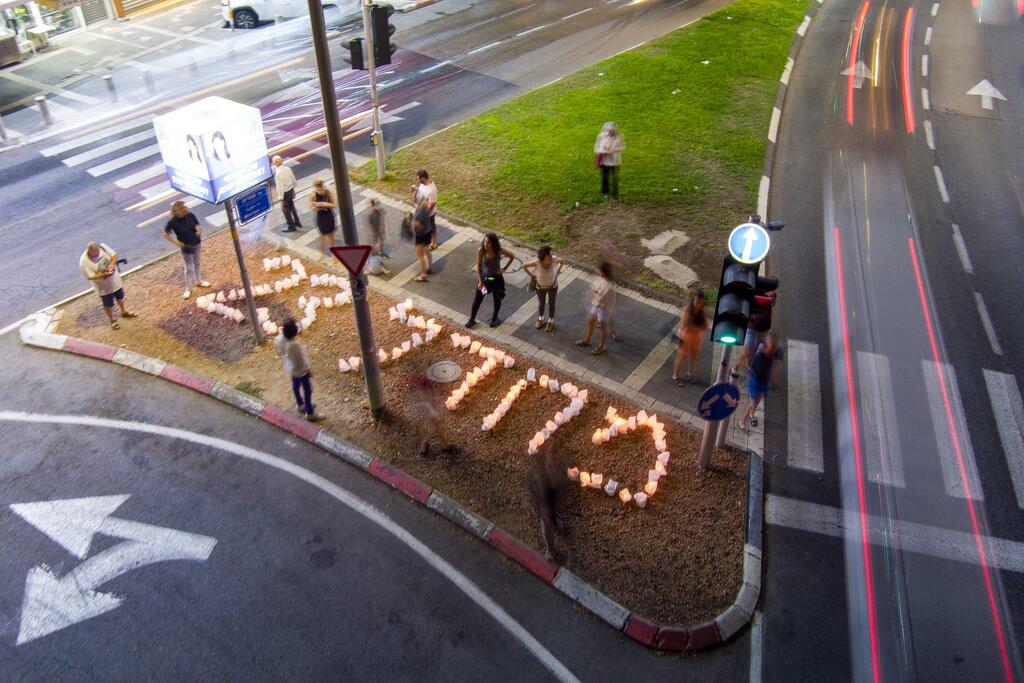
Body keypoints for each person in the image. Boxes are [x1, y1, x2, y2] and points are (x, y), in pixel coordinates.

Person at [527, 441, 569, 561]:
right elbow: (536, 491)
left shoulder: (550, 467)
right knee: (547, 524)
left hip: (550, 497)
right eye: (552, 453)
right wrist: (543, 509)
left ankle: (557, 523)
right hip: (543, 502)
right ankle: (550, 550)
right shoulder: (537, 474)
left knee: (553, 515)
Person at [275, 318, 322, 422]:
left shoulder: (279, 339)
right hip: (301, 371)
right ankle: (310, 412)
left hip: (290, 367)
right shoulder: (295, 345)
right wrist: (308, 370)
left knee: (295, 385)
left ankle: (300, 403)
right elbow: (302, 360)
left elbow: (280, 351)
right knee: (308, 390)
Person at [80, 241, 136, 329]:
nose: (97, 255)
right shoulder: (84, 262)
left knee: (120, 296)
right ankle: (112, 319)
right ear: (89, 252)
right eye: (94, 254)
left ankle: (123, 311)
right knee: (108, 303)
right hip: (103, 286)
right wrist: (104, 275)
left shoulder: (103, 247)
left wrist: (112, 265)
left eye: (98, 253)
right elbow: (90, 276)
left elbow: (114, 255)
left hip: (115, 280)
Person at [162, 201, 211, 299]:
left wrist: (198, 231)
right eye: (182, 207)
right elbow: (165, 233)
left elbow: (197, 225)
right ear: (177, 210)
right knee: (188, 267)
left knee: (197, 263)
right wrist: (176, 243)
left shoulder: (190, 215)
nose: (185, 208)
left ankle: (199, 281)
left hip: (197, 242)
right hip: (186, 246)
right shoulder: (173, 222)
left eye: (184, 207)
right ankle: (188, 288)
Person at [466, 233, 514, 328]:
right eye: (484, 242)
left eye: (488, 243)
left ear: (493, 243)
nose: (485, 244)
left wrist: (504, 268)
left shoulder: (499, 251)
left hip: (496, 279)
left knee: (497, 299)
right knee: (477, 299)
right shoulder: (481, 251)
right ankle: (472, 319)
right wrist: (480, 281)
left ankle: (494, 318)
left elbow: (512, 256)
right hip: (486, 278)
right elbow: (479, 267)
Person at [742, 332, 783, 429]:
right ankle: (742, 420)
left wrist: (773, 379)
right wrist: (748, 368)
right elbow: (750, 368)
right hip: (755, 382)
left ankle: (752, 414)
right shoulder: (759, 357)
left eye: (774, 347)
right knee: (753, 402)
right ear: (765, 346)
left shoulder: (776, 353)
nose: (772, 351)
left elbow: (775, 366)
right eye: (770, 348)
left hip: (764, 381)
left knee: (758, 400)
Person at [575, 261, 615, 355]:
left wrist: (595, 293)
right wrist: (596, 294)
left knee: (602, 327)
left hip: (603, 309)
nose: (597, 270)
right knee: (590, 322)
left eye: (599, 269)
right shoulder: (599, 279)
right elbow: (595, 292)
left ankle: (602, 346)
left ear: (603, 272)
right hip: (596, 305)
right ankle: (587, 340)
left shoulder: (608, 286)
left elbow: (599, 297)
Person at [523, 246, 564, 333]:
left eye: (549, 258)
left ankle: (550, 321)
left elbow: (562, 261)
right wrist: (532, 275)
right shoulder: (537, 262)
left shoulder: (554, 260)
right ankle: (540, 319)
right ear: (541, 259)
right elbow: (524, 266)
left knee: (552, 303)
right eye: (546, 259)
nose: (548, 261)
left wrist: (557, 272)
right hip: (540, 287)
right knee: (541, 303)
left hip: (553, 286)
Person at [672, 289, 709, 385]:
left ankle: (691, 372)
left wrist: (695, 328)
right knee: (682, 356)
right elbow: (685, 327)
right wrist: (698, 328)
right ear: (693, 300)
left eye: (700, 302)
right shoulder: (687, 310)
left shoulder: (702, 311)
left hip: (695, 338)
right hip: (685, 338)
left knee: (694, 356)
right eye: (696, 301)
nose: (698, 304)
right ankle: (675, 374)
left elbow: (705, 326)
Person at [593, 122, 625, 199]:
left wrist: (614, 150)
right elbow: (596, 148)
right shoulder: (601, 136)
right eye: (608, 130)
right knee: (605, 177)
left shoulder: (619, 136)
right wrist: (603, 151)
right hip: (605, 161)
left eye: (612, 130)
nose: (610, 132)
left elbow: (623, 147)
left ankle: (615, 194)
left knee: (615, 177)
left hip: (615, 161)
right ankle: (605, 192)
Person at [411, 169, 438, 250]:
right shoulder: (423, 184)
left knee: (432, 227)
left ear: (423, 178)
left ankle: (433, 243)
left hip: (428, 214)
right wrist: (415, 191)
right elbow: (420, 194)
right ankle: (424, 241)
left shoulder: (431, 190)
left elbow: (432, 204)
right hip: (420, 210)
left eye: (418, 179)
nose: (417, 180)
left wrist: (424, 214)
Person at [310, 178, 337, 258]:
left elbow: (334, 205)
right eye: (318, 189)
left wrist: (323, 204)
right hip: (320, 216)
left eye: (321, 189)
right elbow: (312, 206)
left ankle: (334, 254)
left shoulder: (328, 192)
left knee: (330, 236)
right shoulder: (314, 195)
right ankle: (322, 252)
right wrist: (316, 207)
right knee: (321, 235)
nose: (320, 191)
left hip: (328, 215)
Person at [273, 155, 301, 233]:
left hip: (285, 193)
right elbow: (293, 178)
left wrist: (280, 198)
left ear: (274, 163)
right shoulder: (287, 168)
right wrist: (295, 188)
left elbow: (280, 187)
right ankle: (297, 221)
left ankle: (291, 226)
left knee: (285, 210)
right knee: (292, 207)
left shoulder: (278, 174)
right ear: (282, 161)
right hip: (290, 190)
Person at [411, 199, 434, 282]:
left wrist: (409, 218)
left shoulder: (419, 214)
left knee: (420, 256)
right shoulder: (425, 210)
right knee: (427, 249)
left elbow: (417, 226)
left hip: (421, 235)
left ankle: (423, 275)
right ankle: (430, 268)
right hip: (428, 232)